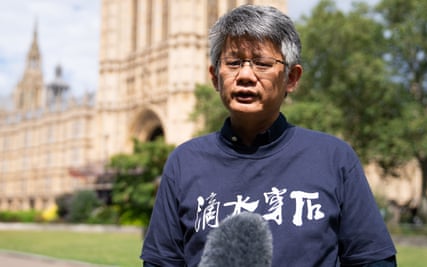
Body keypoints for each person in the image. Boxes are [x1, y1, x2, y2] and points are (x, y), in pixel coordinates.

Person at [140, 4, 397, 267]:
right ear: (215, 77)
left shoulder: (333, 158)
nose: (246, 75)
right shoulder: (185, 161)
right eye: (234, 62)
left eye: (262, 63)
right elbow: (162, 262)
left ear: (291, 78)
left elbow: (373, 260)